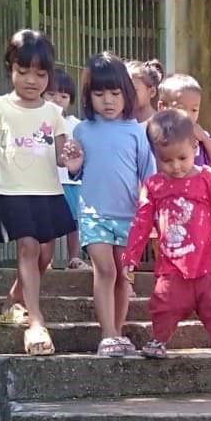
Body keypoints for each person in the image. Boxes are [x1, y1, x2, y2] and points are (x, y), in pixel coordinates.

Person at [0, 29, 76, 356]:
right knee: (27, 247)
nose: (31, 80)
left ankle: (12, 301)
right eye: (23, 71)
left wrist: (72, 156)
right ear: (10, 68)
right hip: (11, 193)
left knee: (44, 256)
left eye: (40, 74)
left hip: (48, 194)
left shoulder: (54, 113)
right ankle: (36, 322)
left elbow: (63, 155)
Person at [122, 109, 211, 393]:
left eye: (182, 158)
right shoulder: (154, 185)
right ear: (155, 155)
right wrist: (131, 256)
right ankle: (159, 339)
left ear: (195, 147)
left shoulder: (209, 179)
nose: (175, 166)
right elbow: (142, 222)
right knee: (163, 304)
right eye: (166, 160)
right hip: (172, 265)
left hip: (210, 265)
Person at [66, 53, 156, 358]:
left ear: (127, 94)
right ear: (88, 96)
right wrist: (74, 166)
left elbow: (149, 177)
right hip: (93, 213)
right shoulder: (82, 130)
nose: (108, 101)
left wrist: (153, 215)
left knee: (122, 274)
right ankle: (107, 334)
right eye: (99, 93)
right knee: (104, 270)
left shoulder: (136, 132)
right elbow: (77, 170)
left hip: (128, 216)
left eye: (115, 93)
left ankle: (117, 331)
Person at [44, 67, 86, 270]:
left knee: (73, 222)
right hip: (48, 181)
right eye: (51, 94)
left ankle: (74, 258)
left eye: (64, 96)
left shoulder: (76, 125)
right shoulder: (40, 122)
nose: (57, 99)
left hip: (72, 182)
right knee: (49, 222)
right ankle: (47, 259)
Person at [157, 73, 211, 171]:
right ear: (162, 107)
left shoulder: (200, 138)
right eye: (180, 108)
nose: (188, 115)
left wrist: (205, 138)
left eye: (194, 110)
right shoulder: (157, 137)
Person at [127, 59, 162, 131]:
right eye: (124, 89)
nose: (128, 94)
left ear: (152, 92)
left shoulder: (160, 125)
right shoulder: (119, 122)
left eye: (133, 90)